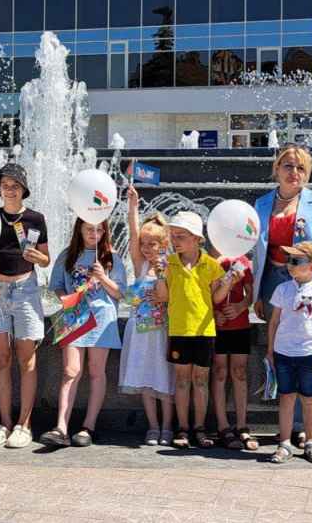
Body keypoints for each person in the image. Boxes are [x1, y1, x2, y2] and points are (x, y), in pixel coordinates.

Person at [252, 144, 312, 447]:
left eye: (301, 168)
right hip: (272, 282)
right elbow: (254, 248)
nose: (294, 172)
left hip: (307, 279)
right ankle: (286, 424)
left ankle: (309, 425)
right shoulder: (262, 203)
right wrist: (256, 292)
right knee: (280, 344)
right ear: (277, 169)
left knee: (311, 348)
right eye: (288, 166)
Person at [0, 164, 50, 449]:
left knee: (26, 359)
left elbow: (46, 259)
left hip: (25, 290)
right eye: (6, 184)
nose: (10, 189)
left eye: (15, 185)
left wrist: (38, 258)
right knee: (0, 359)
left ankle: (25, 424)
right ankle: (5, 423)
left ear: (24, 189)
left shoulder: (36, 218)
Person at [40, 218, 125, 447]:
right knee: (70, 370)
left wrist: (103, 277)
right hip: (74, 318)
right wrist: (64, 298)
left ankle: (88, 427)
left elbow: (120, 293)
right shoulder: (68, 255)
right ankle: (61, 427)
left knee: (97, 371)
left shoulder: (111, 257)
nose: (93, 233)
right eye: (89, 228)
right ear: (80, 228)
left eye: (99, 229)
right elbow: (56, 285)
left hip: (101, 319)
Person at [153, 211, 235, 449]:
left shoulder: (210, 264)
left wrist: (227, 283)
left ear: (197, 239)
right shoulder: (169, 263)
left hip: (204, 330)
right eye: (173, 236)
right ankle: (182, 427)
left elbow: (216, 297)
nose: (175, 240)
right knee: (181, 380)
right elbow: (163, 297)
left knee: (200, 380)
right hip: (179, 329)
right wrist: (159, 275)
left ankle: (199, 426)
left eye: (181, 236)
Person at [266, 242, 312, 464]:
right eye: (289, 260)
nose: (290, 265)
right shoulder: (282, 289)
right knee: (286, 397)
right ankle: (284, 443)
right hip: (284, 352)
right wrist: (270, 351)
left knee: (308, 398)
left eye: (296, 261)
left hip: (308, 354)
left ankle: (311, 442)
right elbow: (274, 322)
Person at [118, 185, 174, 446]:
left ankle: (167, 427)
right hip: (142, 331)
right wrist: (133, 208)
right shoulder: (140, 265)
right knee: (146, 380)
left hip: (162, 331)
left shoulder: (170, 267)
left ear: (164, 244)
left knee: (165, 377)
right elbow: (132, 233)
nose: (147, 249)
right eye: (144, 244)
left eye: (153, 244)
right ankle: (153, 426)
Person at [212, 246, 257, 451]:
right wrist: (214, 314)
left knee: (239, 372)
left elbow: (250, 294)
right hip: (218, 325)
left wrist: (240, 306)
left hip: (239, 324)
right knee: (219, 372)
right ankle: (222, 425)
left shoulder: (243, 261)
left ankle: (242, 424)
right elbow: (205, 294)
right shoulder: (212, 261)